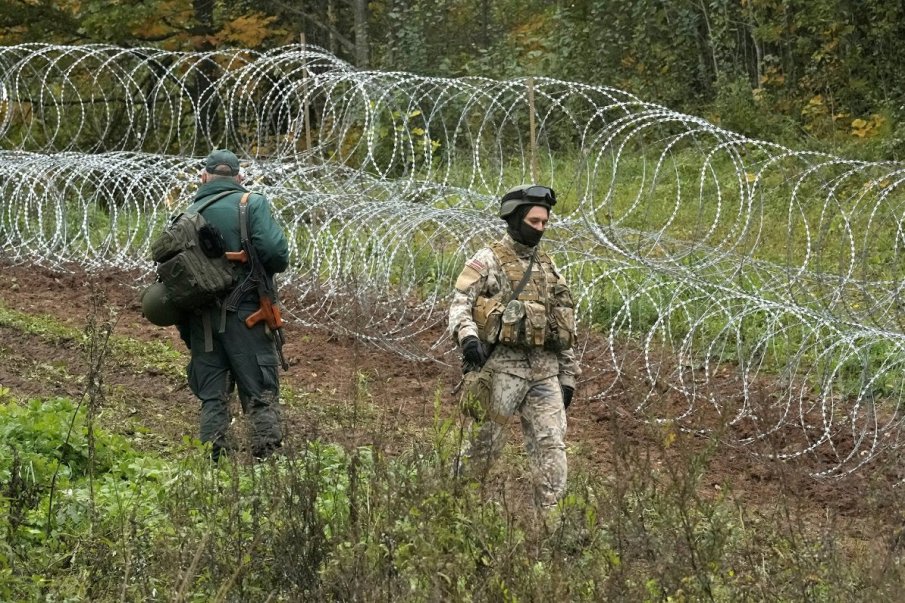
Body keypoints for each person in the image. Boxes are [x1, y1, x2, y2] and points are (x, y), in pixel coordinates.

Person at [448, 184, 581, 508]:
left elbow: (561, 324)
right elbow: (459, 304)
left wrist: (568, 376)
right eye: (534, 221)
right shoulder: (488, 260)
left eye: (544, 223)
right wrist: (468, 339)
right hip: (502, 372)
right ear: (516, 218)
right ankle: (457, 507)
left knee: (552, 449)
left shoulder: (548, 267)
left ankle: (548, 523)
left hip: (544, 375)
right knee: (483, 446)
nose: (540, 228)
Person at [180, 149, 290, 461]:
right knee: (260, 391)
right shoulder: (250, 203)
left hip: (201, 320)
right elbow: (277, 255)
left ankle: (215, 465)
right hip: (248, 316)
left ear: (204, 177)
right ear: (239, 177)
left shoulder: (188, 213)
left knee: (213, 396)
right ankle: (265, 462)